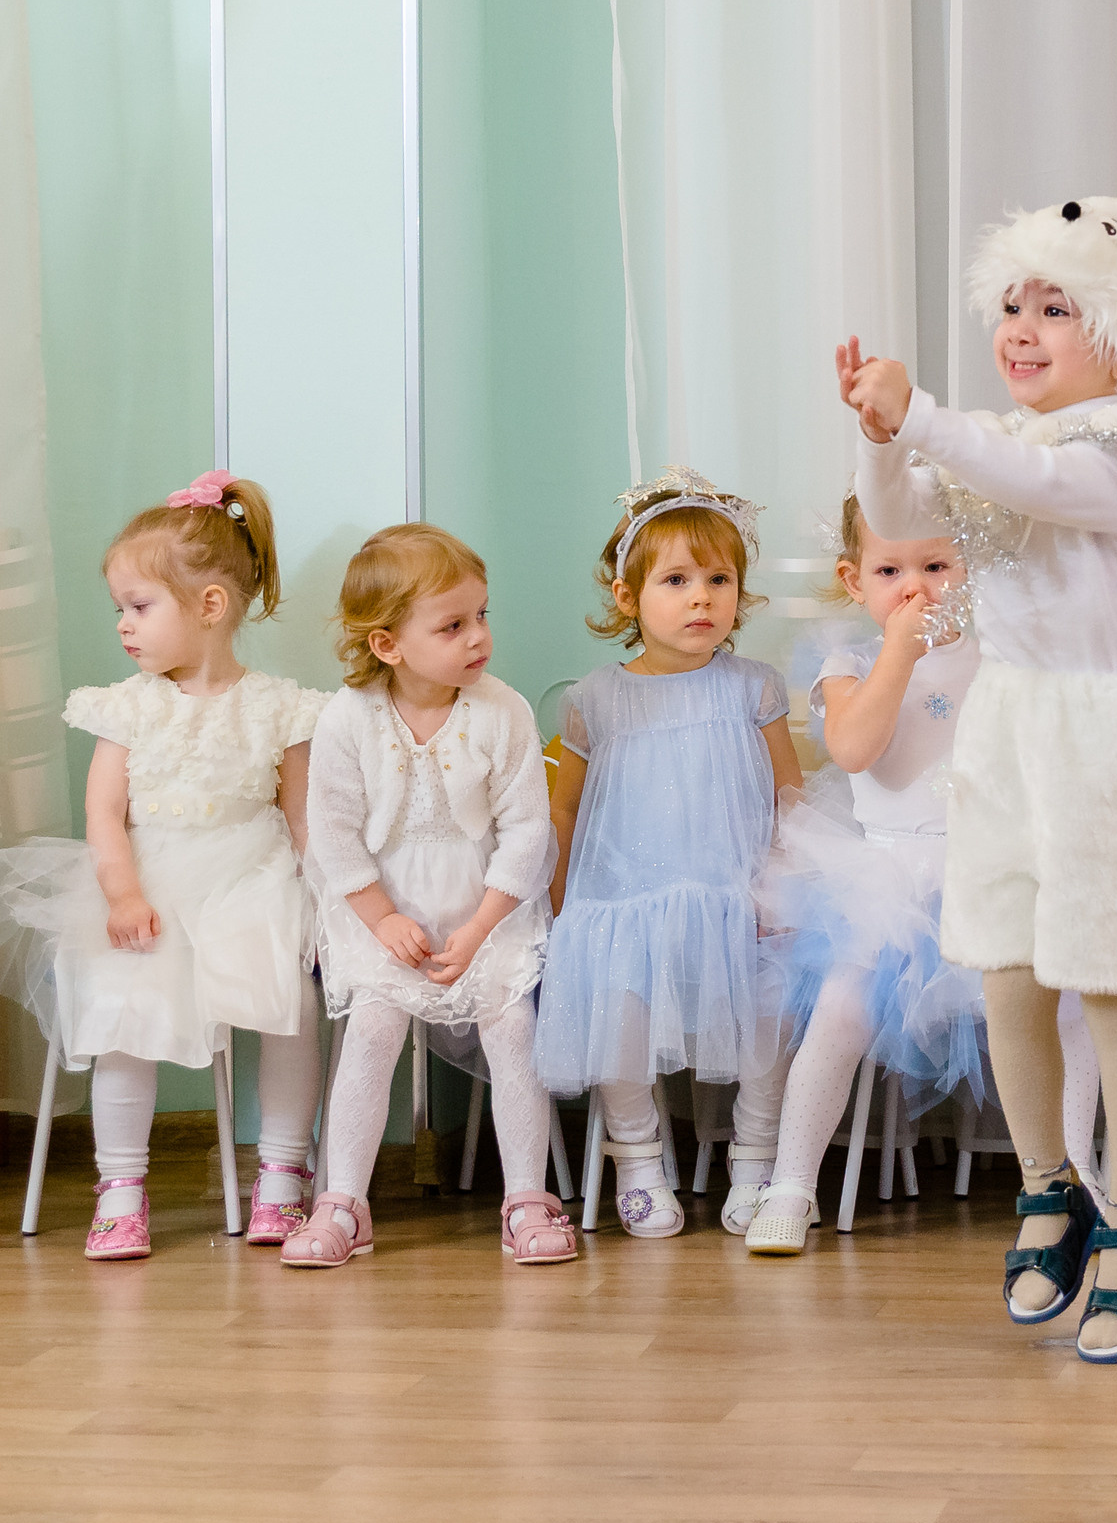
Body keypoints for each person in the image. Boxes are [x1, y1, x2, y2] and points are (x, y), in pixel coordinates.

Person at [836, 193, 1117, 1360]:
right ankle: (1047, 1186)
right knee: (1006, 981)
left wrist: (920, 413)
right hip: (1011, 727)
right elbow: (899, 510)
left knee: (1110, 989)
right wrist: (882, 434)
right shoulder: (1002, 447)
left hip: (1109, 742)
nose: (1021, 327)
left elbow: (1036, 486)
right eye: (1012, 304)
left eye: (1056, 308)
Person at [0, 473, 325, 1258]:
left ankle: (284, 1170)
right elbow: (103, 815)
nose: (123, 624)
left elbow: (302, 819)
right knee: (125, 1002)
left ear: (209, 605)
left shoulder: (280, 707)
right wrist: (122, 894)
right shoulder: (129, 707)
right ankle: (120, 1184)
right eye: (120, 607)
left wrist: (325, 899)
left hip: (253, 879)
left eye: (139, 606)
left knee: (291, 995)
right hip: (150, 881)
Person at [285, 524, 574, 1268]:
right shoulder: (348, 717)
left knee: (512, 1029)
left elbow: (527, 831)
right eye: (452, 625)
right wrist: (380, 918)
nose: (478, 636)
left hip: (486, 907)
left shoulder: (502, 710)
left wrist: (480, 927)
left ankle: (526, 1196)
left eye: (482, 614)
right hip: (383, 908)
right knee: (373, 1030)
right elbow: (333, 833)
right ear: (388, 644)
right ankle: (342, 1202)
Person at [540, 468, 798, 1239]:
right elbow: (565, 804)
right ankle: (638, 1158)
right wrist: (559, 895)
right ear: (628, 597)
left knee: (770, 1006)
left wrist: (781, 880)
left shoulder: (753, 688)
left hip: (734, 892)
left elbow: (788, 792)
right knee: (618, 1017)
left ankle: (757, 1156)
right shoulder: (595, 697)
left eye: (720, 580)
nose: (701, 598)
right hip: (623, 898)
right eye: (677, 580)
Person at [741, 491, 990, 1254]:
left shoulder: (999, 652)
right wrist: (900, 653)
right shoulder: (845, 663)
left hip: (989, 867)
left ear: (971, 565)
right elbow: (854, 749)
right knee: (839, 1013)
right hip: (884, 876)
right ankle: (790, 1185)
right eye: (889, 570)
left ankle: (1079, 1172)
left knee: (1065, 1012)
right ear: (855, 580)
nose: (915, 587)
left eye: (936, 565)